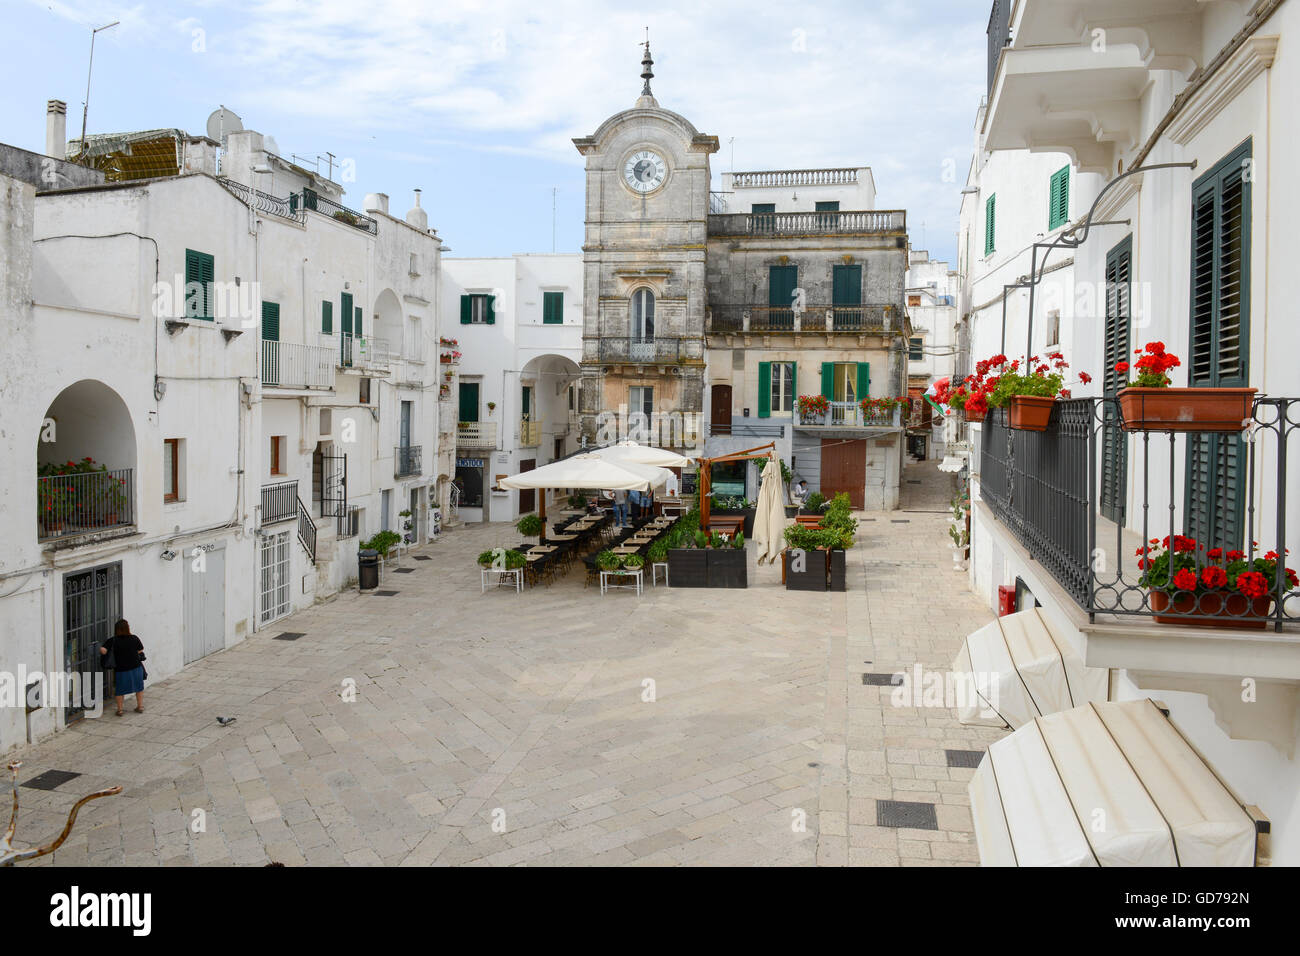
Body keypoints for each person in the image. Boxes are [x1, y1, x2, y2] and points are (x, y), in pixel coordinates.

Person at [100, 619, 146, 716]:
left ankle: (120, 710)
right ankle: (140, 706)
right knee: (139, 687)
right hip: (136, 667)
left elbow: (103, 650)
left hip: (121, 669)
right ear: (127, 628)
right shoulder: (134, 638)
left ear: (116, 629)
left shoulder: (113, 641)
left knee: (120, 690)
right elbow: (141, 649)